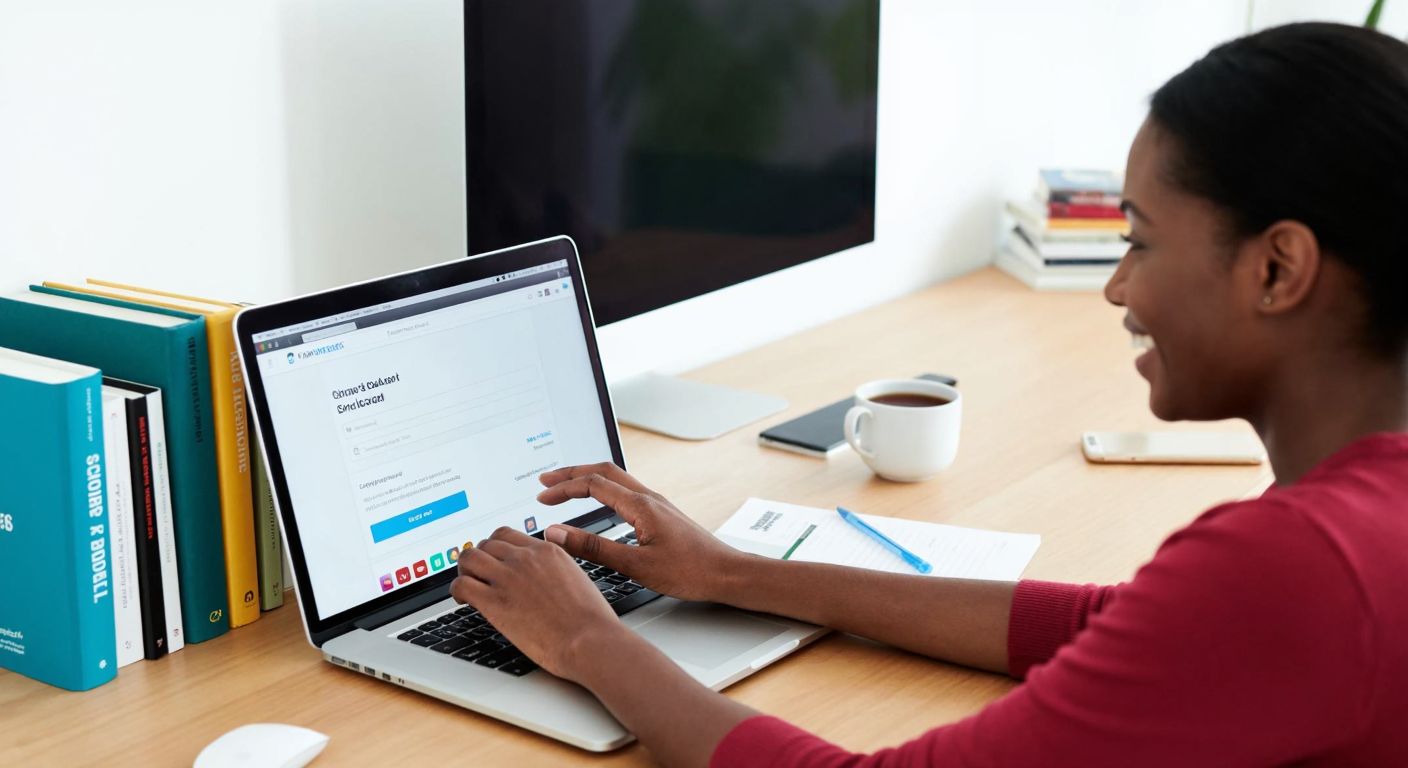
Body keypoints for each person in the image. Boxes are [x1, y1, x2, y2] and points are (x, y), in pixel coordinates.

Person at [448, 22, 1408, 766]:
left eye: (1142, 241)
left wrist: (589, 642)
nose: (1119, 288)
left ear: (1278, 268)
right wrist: (734, 573)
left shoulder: (1300, 565)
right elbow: (1109, 627)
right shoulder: (1356, 523)